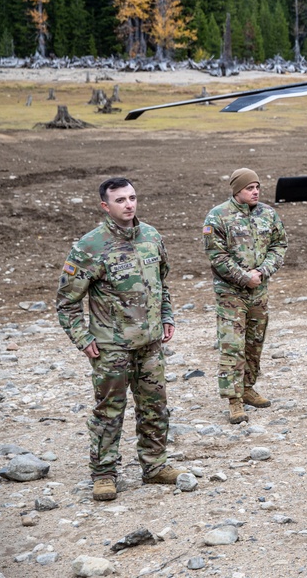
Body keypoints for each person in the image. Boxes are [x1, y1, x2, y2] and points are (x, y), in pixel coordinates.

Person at [56, 177, 186, 501]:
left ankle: (155, 467)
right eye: (120, 200)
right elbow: (66, 301)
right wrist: (82, 338)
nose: (129, 205)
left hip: (151, 343)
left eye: (132, 198)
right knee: (109, 411)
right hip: (111, 347)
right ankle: (103, 474)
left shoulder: (152, 236)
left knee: (155, 407)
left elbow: (162, 284)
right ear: (105, 206)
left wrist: (167, 316)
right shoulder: (90, 246)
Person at [203, 168, 287, 424]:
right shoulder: (217, 217)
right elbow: (216, 256)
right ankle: (234, 400)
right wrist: (243, 277)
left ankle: (248, 387)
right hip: (231, 293)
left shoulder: (268, 214)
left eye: (257, 187)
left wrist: (262, 271)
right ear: (236, 190)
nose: (256, 191)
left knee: (254, 342)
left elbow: (279, 245)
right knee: (232, 345)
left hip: (259, 291)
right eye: (250, 188)